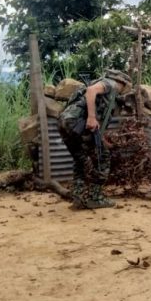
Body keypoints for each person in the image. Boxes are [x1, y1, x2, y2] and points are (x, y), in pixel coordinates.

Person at [58, 69, 131, 209]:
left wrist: (103, 140)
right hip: (76, 124)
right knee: (103, 158)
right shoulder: (110, 84)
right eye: (125, 86)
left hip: (65, 124)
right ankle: (95, 198)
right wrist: (91, 117)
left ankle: (78, 198)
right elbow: (91, 91)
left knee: (80, 160)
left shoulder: (103, 86)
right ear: (122, 82)